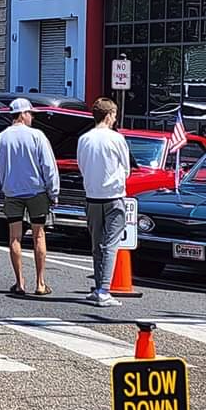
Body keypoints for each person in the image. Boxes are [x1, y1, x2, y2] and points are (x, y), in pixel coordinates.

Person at [0, 98, 60, 296]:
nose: (32, 117)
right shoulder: (37, 136)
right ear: (23, 114)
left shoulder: (0, 139)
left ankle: (19, 283)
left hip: (12, 194)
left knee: (14, 237)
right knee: (39, 235)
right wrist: (54, 193)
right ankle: (40, 283)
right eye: (31, 114)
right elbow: (49, 167)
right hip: (36, 192)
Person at [76, 97, 131, 308]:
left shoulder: (84, 139)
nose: (115, 119)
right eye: (115, 115)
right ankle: (104, 290)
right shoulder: (116, 139)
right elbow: (125, 168)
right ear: (109, 116)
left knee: (96, 244)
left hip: (92, 196)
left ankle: (99, 286)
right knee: (111, 245)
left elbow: (81, 165)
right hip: (113, 196)